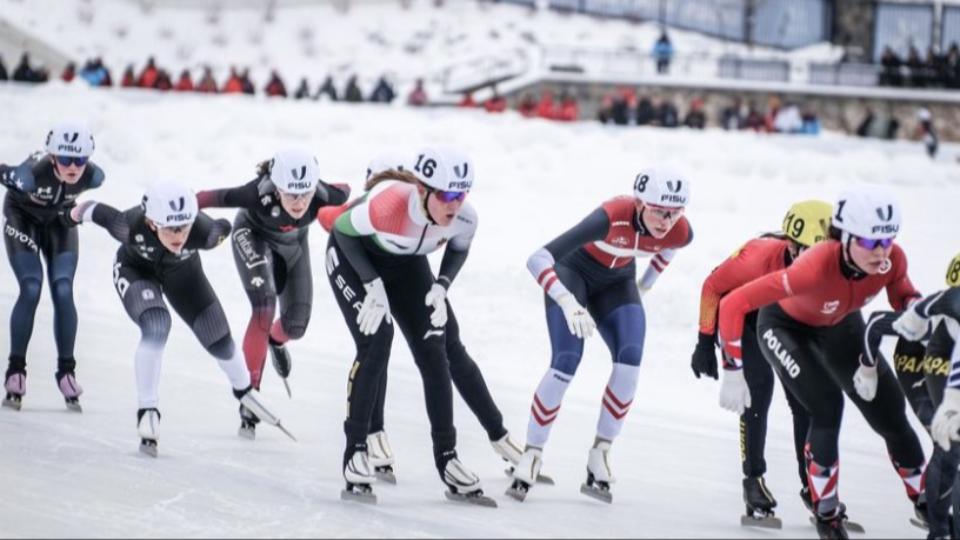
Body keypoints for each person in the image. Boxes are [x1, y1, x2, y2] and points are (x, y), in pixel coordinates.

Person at [718, 190, 928, 538]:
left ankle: (925, 498)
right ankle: (826, 513)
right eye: (869, 241)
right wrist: (732, 369)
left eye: (888, 239)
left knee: (889, 410)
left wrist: (915, 309)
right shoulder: (812, 268)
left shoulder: (893, 260)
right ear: (844, 238)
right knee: (827, 406)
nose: (881, 251)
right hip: (786, 328)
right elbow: (733, 304)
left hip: (841, 324)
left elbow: (903, 294)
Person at [317, 152, 524, 484]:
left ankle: (447, 456)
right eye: (446, 195)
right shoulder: (387, 207)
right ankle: (355, 449)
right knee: (377, 340)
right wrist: (371, 284)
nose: (454, 204)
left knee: (436, 346)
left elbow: (459, 248)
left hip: (406, 265)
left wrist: (442, 285)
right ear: (422, 190)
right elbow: (341, 230)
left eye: (461, 194)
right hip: (354, 258)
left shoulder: (465, 218)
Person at [509, 166, 693, 503]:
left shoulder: (680, 230)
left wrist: (645, 285)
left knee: (630, 360)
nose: (666, 221)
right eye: (658, 211)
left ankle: (601, 452)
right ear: (639, 203)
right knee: (566, 360)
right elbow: (537, 258)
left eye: (674, 212)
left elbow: (670, 248)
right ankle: (532, 451)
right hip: (572, 273)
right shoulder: (611, 217)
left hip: (617, 284)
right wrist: (566, 302)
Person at [69, 182, 290, 456]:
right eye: (171, 228)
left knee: (219, 337)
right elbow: (92, 210)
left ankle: (244, 390)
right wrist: (70, 214)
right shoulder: (129, 225)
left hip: (183, 274)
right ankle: (147, 408)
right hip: (135, 270)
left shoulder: (205, 232)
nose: (179, 235)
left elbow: (225, 226)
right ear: (151, 222)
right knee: (157, 325)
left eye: (184, 226)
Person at [694, 200, 832, 524]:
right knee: (758, 390)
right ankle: (753, 480)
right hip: (743, 319)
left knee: (805, 403)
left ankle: (812, 486)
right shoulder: (757, 257)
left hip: (784, 324)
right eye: (807, 252)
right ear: (791, 244)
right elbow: (712, 287)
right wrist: (704, 340)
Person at [196, 148, 349, 438]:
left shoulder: (324, 194)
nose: (300, 202)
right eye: (291, 194)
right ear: (276, 188)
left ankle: (274, 341)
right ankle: (250, 392)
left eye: (306, 193)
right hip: (253, 236)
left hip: (293, 246)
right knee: (264, 307)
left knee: (296, 325)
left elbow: (347, 192)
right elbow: (209, 197)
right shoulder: (256, 193)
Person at [0, 122, 104, 411]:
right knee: (31, 286)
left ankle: (66, 371)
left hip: (59, 222)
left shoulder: (94, 176)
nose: (73, 166)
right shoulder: (31, 175)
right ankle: (15, 370)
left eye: (80, 160)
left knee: (63, 288)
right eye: (66, 159)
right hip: (22, 218)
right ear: (52, 156)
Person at [862, 253, 960, 539]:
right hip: (916, 367)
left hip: (947, 366)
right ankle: (938, 526)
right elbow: (876, 323)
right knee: (950, 440)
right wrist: (867, 369)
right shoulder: (937, 317)